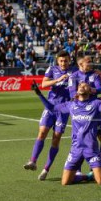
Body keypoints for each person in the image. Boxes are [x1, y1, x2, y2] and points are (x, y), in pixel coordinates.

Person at [32, 81, 101, 185]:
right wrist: (39, 93)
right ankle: (87, 177)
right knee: (65, 182)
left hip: (91, 149)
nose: (82, 86)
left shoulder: (96, 104)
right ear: (77, 90)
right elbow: (52, 108)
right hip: (75, 149)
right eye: (80, 85)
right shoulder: (71, 105)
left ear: (90, 91)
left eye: (85, 86)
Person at [23, 50, 76, 181]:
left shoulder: (74, 72)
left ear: (69, 60)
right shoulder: (52, 69)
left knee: (56, 139)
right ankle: (33, 161)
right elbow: (44, 84)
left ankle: (46, 168)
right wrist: (58, 80)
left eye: (66, 60)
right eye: (61, 61)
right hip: (50, 106)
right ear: (58, 61)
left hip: (64, 109)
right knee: (42, 133)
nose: (63, 63)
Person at [68, 56, 101, 167]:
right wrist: (87, 92)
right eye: (88, 62)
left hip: (94, 109)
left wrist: (89, 90)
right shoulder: (73, 76)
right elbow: (72, 94)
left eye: (91, 61)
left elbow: (100, 89)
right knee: (80, 141)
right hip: (81, 111)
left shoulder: (94, 74)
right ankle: (76, 169)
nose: (91, 64)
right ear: (81, 64)